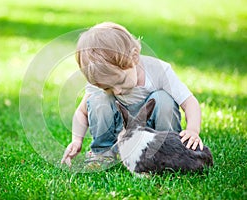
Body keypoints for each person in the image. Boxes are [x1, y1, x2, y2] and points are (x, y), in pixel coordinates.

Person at [61, 22, 204, 167]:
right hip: (120, 136)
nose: (116, 91)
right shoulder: (102, 79)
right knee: (98, 99)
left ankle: (165, 153)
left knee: (163, 99)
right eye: (107, 87)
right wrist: (76, 140)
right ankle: (102, 154)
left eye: (120, 81)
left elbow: (190, 102)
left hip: (154, 137)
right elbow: (82, 111)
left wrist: (192, 130)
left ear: (134, 57)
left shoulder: (159, 71)